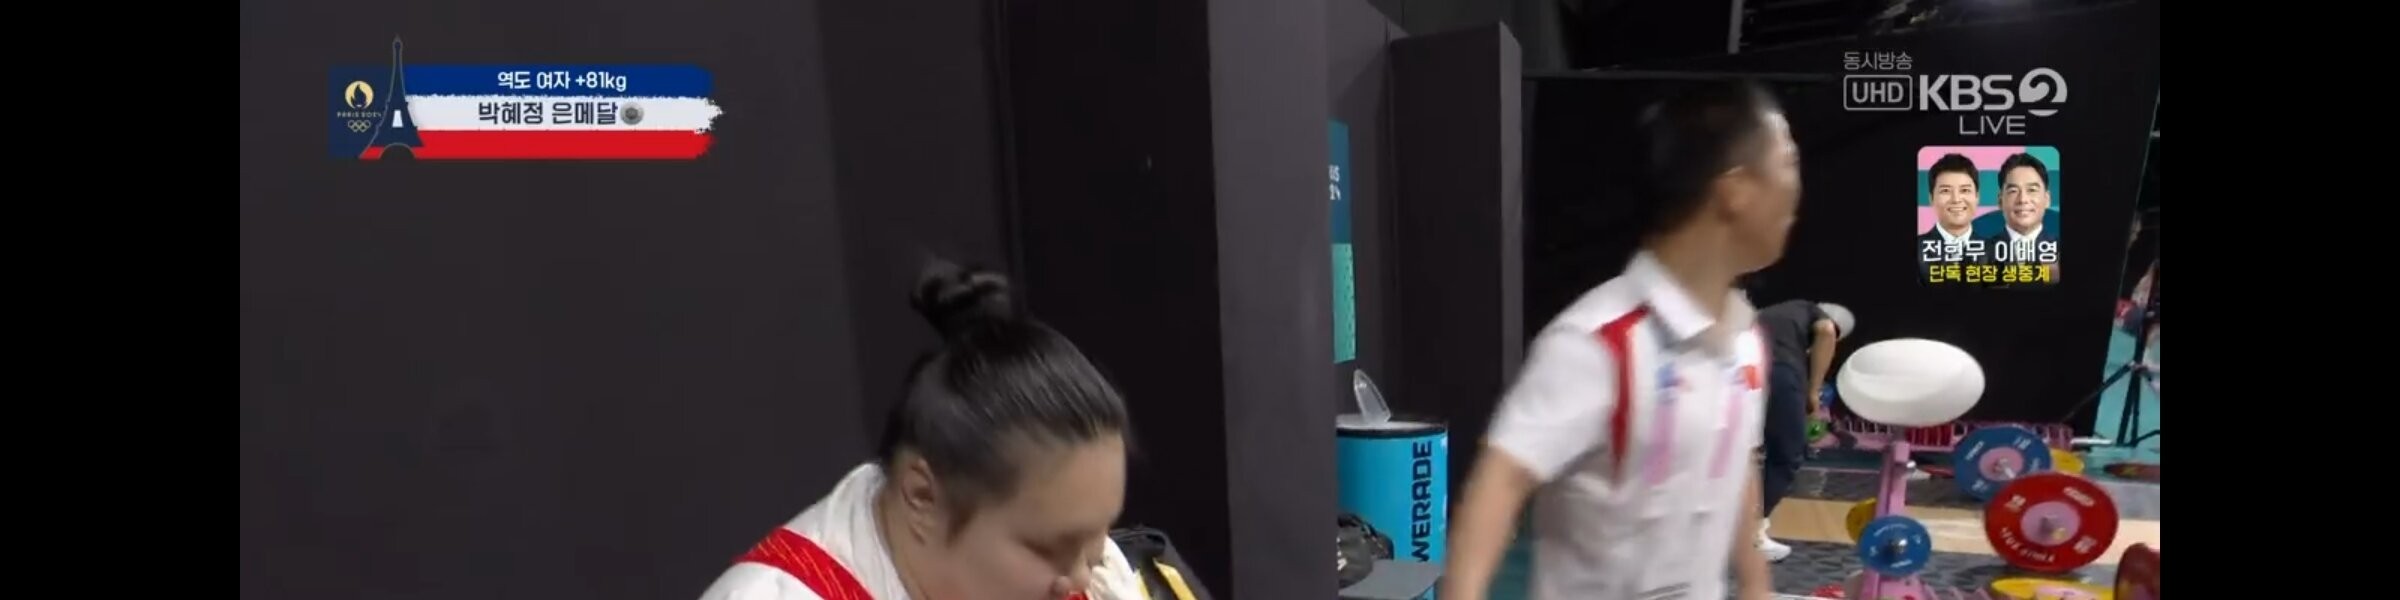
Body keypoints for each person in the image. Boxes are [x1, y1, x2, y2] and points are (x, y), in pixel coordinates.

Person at [1440, 80, 1798, 600]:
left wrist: (1754, 583)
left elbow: (1736, 460)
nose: (1797, 189)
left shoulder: (1745, 340)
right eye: (1787, 162)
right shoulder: (1597, 343)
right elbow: (1501, 481)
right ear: (1735, 190)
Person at [699, 262, 1149, 600]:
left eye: (1096, 538)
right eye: (1049, 548)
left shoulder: (1087, 570)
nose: (1083, 579)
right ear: (922, 497)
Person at [1750, 299, 1853, 561]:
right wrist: (1813, 390)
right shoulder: (1812, 311)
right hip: (1778, 371)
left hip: (1739, 372)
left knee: (1741, 456)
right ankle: (1752, 534)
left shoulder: (1770, 312)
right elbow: (1826, 332)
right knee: (1787, 454)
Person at [1982, 153, 2059, 278]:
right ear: (2000, 201)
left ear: (2047, 199)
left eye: (2032, 190)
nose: (2023, 199)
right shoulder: (1978, 254)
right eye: (2013, 191)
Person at [1917, 153, 1982, 278]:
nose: (1956, 199)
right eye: (1945, 191)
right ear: (1931, 198)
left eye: (1965, 190)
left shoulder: (1997, 252)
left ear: (1977, 197)